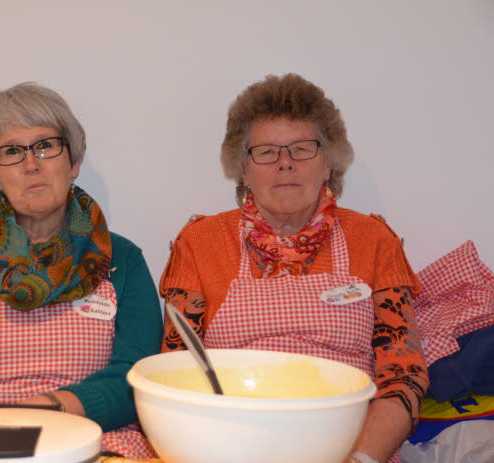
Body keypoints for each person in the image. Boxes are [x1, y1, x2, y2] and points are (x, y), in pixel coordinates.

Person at [160, 74, 429, 463]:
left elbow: (403, 376)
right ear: (242, 169)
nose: (285, 164)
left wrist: (361, 457)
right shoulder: (200, 242)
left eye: (302, 149)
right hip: (230, 445)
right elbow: (174, 375)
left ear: (328, 163)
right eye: (266, 152)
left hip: (352, 445)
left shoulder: (373, 239)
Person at [0, 82, 162, 458]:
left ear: (73, 162)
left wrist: (54, 410)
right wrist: (1, 424)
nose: (30, 164)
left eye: (45, 146)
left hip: (94, 443)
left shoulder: (122, 258)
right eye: (11, 151)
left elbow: (137, 376)